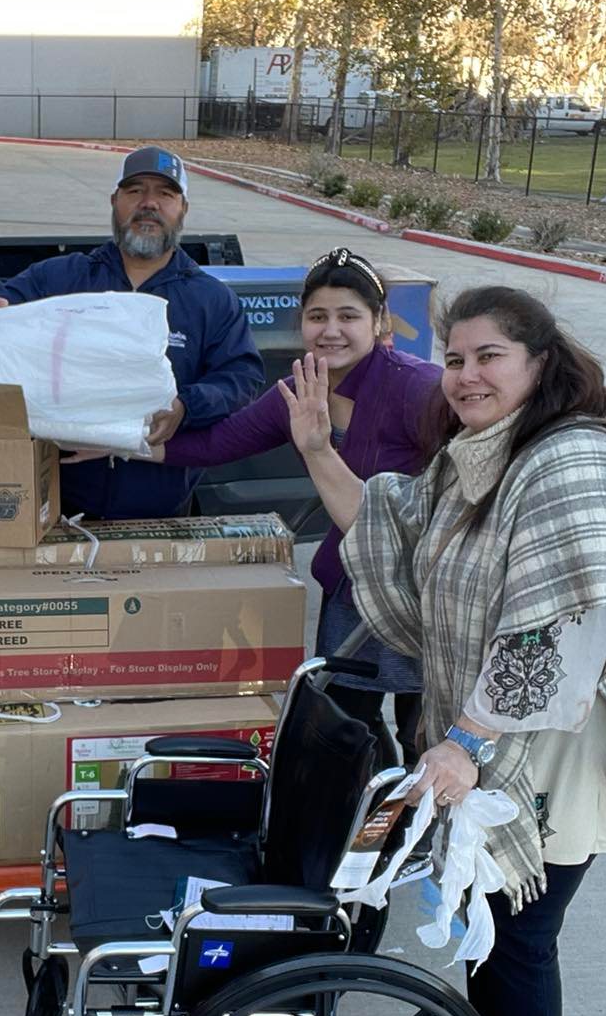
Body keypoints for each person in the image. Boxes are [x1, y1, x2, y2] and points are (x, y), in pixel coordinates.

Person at [283, 286, 606, 1016]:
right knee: (486, 909)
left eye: (489, 357)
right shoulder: (477, 458)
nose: (467, 375)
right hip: (503, 722)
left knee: (520, 935)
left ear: (540, 362)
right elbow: (384, 527)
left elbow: (562, 627)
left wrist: (468, 739)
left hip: (560, 738)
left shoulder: (570, 460)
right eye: (456, 359)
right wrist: (316, 448)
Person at [164, 247, 443, 764]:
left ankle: (419, 816)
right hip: (351, 587)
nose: (331, 330)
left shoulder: (418, 387)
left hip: (422, 592)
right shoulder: (300, 392)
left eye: (348, 316)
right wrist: (123, 441)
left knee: (424, 735)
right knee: (344, 731)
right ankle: (368, 812)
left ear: (379, 321)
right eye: (318, 316)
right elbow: (217, 444)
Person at [0, 146, 263, 519]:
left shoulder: (212, 299)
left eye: (165, 194)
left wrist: (187, 406)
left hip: (162, 515)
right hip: (60, 512)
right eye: (135, 191)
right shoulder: (60, 278)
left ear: (183, 209)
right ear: (115, 201)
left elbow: (242, 377)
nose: (149, 203)